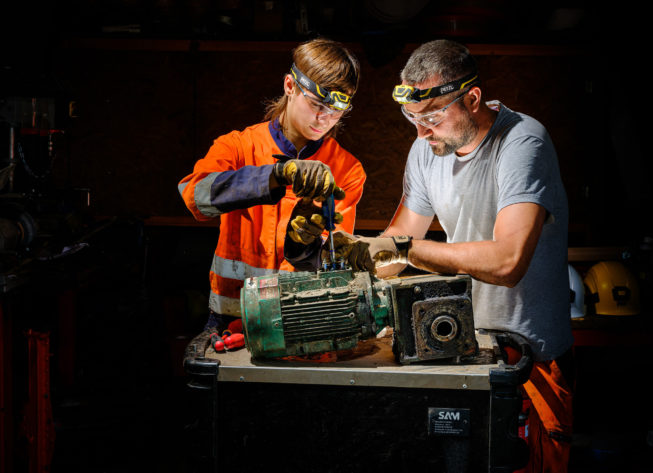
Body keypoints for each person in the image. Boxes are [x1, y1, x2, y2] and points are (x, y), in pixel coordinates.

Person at [327, 39, 573, 472]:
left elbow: (507, 262)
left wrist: (403, 249)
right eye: (411, 117)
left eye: (433, 116)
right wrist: (356, 258)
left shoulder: (522, 143)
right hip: (463, 345)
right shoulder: (426, 150)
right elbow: (399, 241)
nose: (421, 132)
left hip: (528, 359)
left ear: (473, 98)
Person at [178, 38, 366, 332]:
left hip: (301, 317)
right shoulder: (238, 147)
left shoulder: (346, 170)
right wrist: (275, 176)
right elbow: (195, 196)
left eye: (336, 111)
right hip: (232, 317)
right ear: (290, 86)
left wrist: (303, 247)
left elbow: (334, 257)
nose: (324, 119)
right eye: (316, 104)